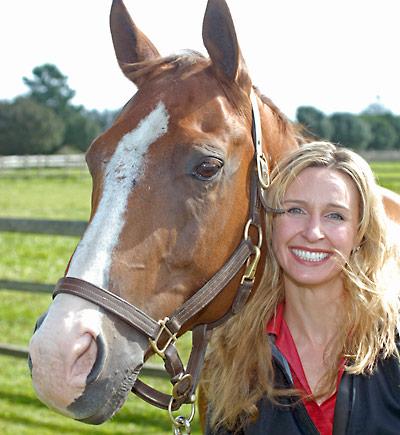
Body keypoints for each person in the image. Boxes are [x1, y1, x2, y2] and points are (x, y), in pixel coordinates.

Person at [202, 141, 400, 435]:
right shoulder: (233, 356)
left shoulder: (393, 342)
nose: (312, 232)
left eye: (335, 215)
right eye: (295, 210)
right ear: (271, 223)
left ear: (360, 232)